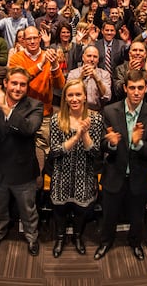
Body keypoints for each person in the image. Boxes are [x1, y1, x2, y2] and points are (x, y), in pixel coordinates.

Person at [0, 67, 43, 256]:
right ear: (6, 83)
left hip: (22, 171)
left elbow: (29, 129)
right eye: (14, 83)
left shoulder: (35, 106)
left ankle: (31, 237)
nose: (18, 88)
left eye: (22, 84)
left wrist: (6, 107)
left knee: (28, 210)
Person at [94, 70, 147, 261]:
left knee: (137, 216)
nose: (136, 92)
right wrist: (111, 144)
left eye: (140, 88)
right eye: (132, 88)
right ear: (125, 88)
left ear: (146, 88)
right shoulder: (109, 111)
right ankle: (106, 242)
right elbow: (102, 144)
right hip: (114, 174)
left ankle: (135, 243)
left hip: (139, 176)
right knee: (109, 215)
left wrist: (139, 143)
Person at [47, 79, 104, 258]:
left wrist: (84, 134)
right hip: (61, 175)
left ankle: (78, 237)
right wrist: (76, 136)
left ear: (85, 96)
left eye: (78, 94)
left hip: (84, 175)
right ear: (64, 98)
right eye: (70, 95)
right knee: (60, 211)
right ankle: (60, 238)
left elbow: (95, 153)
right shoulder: (57, 119)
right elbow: (54, 151)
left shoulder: (95, 119)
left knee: (81, 211)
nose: (74, 98)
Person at [8, 26, 65, 151]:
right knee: (19, 149)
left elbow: (60, 85)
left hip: (44, 115)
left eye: (35, 38)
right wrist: (40, 65)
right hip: (21, 113)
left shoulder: (48, 56)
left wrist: (55, 65)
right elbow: (20, 80)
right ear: (23, 40)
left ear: (40, 38)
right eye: (29, 39)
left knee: (44, 151)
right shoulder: (16, 58)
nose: (32, 41)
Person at [66, 45, 111, 110]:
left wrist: (97, 79)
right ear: (83, 57)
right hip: (76, 110)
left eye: (95, 57)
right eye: (89, 56)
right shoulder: (73, 73)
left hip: (97, 111)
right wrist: (81, 78)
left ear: (98, 60)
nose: (92, 59)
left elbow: (107, 96)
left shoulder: (105, 74)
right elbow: (68, 93)